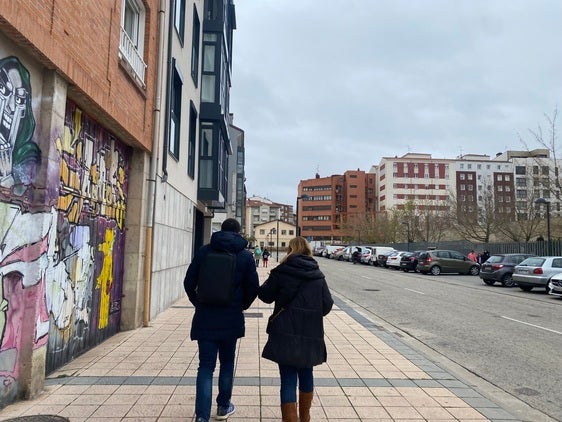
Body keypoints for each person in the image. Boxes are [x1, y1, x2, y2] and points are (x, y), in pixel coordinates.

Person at [184, 218, 259, 422]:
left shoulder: (204, 252)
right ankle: (223, 407)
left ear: (221, 230)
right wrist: (241, 305)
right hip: (231, 318)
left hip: (205, 317)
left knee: (205, 367)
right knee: (227, 363)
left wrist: (198, 302)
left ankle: (201, 416)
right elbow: (253, 287)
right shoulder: (245, 256)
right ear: (238, 232)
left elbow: (188, 282)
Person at [258, 237, 333, 422]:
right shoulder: (317, 274)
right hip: (310, 333)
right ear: (308, 250)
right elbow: (327, 305)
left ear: (290, 250)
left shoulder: (281, 272)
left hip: (284, 330)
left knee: (288, 378)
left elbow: (265, 296)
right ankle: (305, 417)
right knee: (307, 373)